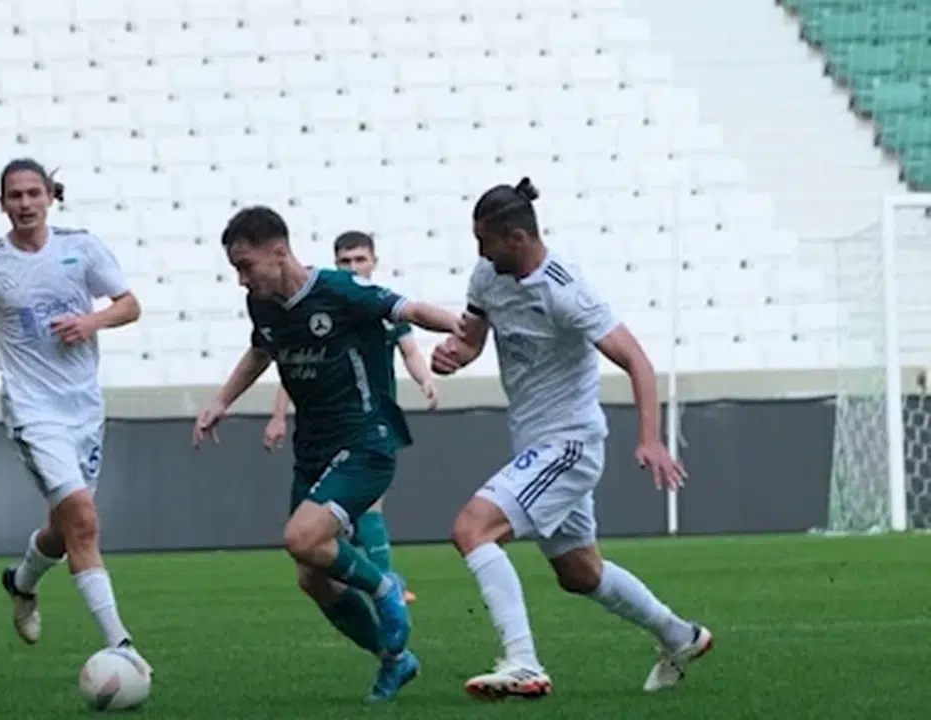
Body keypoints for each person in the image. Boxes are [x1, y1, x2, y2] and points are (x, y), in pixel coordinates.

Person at [431, 178, 711, 700]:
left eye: (485, 242)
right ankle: (681, 636)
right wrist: (455, 356)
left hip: (569, 445)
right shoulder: (488, 276)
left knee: (473, 529)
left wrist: (650, 439)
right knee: (580, 573)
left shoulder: (566, 290)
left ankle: (523, 662)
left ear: (517, 237)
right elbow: (472, 338)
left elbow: (637, 360)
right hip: (534, 444)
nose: (480, 253)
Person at [192, 206, 461, 703]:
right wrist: (221, 401)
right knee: (311, 577)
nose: (241, 280)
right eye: (236, 269)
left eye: (246, 266)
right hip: (313, 448)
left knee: (300, 537)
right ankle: (394, 659)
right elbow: (261, 351)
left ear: (279, 251)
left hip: (365, 439)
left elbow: (411, 311)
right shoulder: (262, 304)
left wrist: (467, 329)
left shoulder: (339, 290)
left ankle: (385, 588)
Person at [0, 158, 151, 676]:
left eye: (34, 193)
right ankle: (121, 644)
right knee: (84, 520)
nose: (25, 203)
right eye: (15, 195)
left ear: (50, 197)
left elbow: (129, 305)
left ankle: (21, 582)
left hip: (84, 408)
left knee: (64, 528)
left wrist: (91, 321)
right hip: (33, 410)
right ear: (2, 203)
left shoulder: (82, 248)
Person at [264, 231, 438, 605]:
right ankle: (379, 583)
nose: (353, 267)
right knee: (333, 525)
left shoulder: (380, 308)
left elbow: (409, 350)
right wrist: (278, 415)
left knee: (370, 506)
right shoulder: (328, 304)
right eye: (345, 261)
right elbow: (294, 367)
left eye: (360, 260)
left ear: (374, 262)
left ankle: (384, 585)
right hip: (324, 425)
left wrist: (424, 379)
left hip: (371, 421)